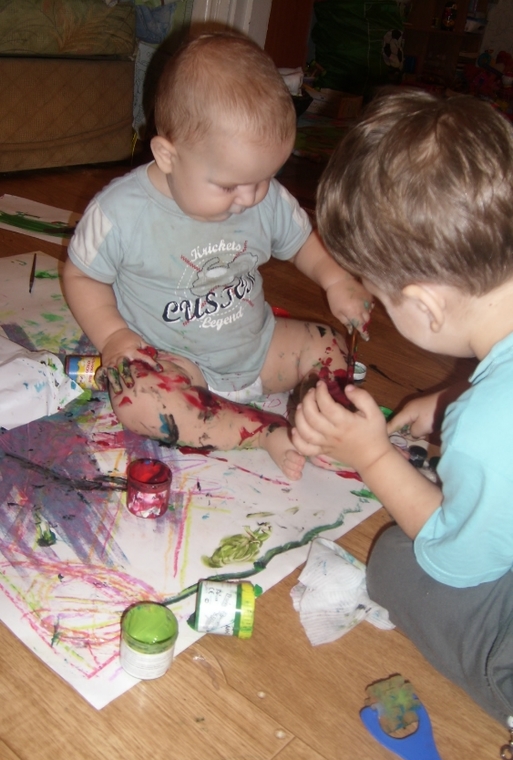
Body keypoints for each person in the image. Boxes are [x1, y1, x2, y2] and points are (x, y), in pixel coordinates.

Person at [292, 88, 513, 724]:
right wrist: (450, 397)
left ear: (424, 305)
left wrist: (373, 457)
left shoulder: (490, 426)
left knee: (395, 561)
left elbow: (453, 558)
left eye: (385, 301)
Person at [63, 32, 371, 481]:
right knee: (139, 402)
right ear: (167, 156)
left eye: (264, 178)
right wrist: (113, 336)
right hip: (177, 364)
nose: (250, 198)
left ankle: (319, 420)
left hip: (260, 347)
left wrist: (336, 279)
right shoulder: (119, 213)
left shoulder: (264, 196)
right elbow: (82, 278)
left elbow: (303, 242)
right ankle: (262, 431)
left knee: (328, 344)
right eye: (229, 186)